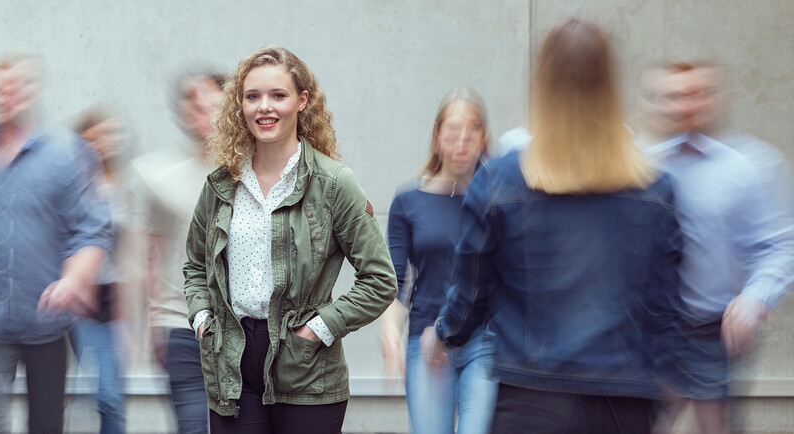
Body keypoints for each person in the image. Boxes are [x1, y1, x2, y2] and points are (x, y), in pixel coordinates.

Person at [423, 19, 686, 433]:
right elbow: (664, 304)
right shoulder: (656, 188)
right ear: (609, 85)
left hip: (531, 398)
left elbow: (472, 287)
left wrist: (444, 334)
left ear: (542, 83)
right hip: (625, 400)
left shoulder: (498, 180)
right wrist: (670, 379)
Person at [183, 45, 400, 434]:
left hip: (308, 368)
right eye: (253, 96)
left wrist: (320, 328)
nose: (264, 107)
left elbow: (380, 280)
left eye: (277, 95)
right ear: (240, 105)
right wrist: (202, 318)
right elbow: (196, 266)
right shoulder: (220, 185)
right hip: (231, 361)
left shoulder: (334, 184)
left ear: (302, 101)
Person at [641, 60, 794, 434]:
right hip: (649, 331)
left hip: (713, 332)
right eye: (672, 96)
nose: (682, 106)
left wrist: (755, 298)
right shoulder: (637, 165)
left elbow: (778, 246)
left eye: (695, 95)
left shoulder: (746, 167)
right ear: (654, 103)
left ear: (714, 101)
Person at [0, 51, 111, 434]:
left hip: (46, 324)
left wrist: (74, 279)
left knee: (46, 425)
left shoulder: (66, 156)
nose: (5, 96)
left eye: (15, 87)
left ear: (30, 92)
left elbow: (91, 231)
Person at [382, 88, 496, 434]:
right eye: (452, 132)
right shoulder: (408, 201)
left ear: (483, 139)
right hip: (426, 341)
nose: (462, 142)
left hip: (484, 342)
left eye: (471, 132)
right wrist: (390, 334)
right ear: (436, 136)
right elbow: (396, 283)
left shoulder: (497, 199)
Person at [133, 67, 223, 434]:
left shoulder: (256, 170)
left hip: (247, 327)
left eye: (208, 100)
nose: (198, 108)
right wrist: (152, 321)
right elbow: (148, 256)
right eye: (190, 100)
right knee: (193, 424)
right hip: (181, 324)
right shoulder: (158, 175)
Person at [70, 105, 130, 434]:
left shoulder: (125, 186)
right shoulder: (71, 187)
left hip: (113, 300)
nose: (104, 143)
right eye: (94, 138)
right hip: (79, 298)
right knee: (88, 391)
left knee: (109, 395)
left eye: (110, 135)